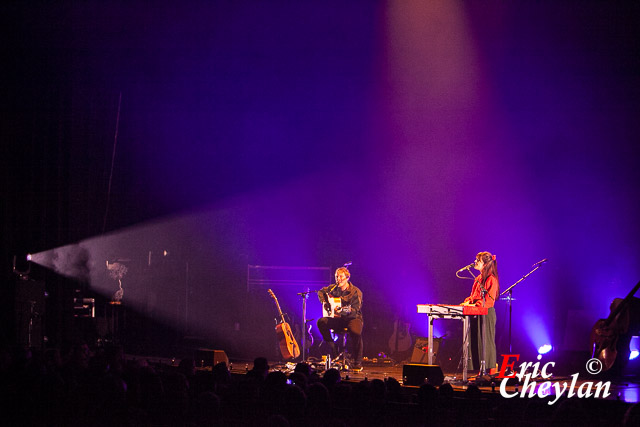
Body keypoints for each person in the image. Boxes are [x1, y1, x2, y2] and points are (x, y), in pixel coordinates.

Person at [316, 267, 363, 370]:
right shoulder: (333, 288)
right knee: (321, 322)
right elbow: (320, 292)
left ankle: (357, 361)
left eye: (341, 276)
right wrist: (326, 303)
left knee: (355, 332)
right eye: (336, 277)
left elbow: (354, 310)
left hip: (352, 318)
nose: (338, 279)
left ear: (347, 278)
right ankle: (332, 348)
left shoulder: (355, 292)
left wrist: (341, 310)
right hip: (339, 319)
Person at [461, 251, 499, 375]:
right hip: (476, 312)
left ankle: (491, 370)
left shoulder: (491, 279)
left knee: (486, 341)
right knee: (476, 341)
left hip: (486, 313)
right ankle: (481, 371)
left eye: (478, 261)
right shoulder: (478, 278)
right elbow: (473, 296)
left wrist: (475, 304)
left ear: (485, 264)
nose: (475, 262)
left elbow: (489, 301)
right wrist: (468, 302)